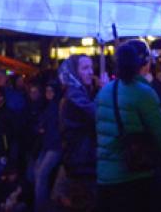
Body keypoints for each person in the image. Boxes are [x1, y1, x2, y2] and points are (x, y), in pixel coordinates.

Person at [95, 40, 161, 212]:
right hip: (136, 178)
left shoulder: (104, 91)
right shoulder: (144, 92)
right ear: (144, 63)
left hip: (105, 178)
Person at [55, 54, 102, 211]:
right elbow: (96, 114)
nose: (90, 72)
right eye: (85, 68)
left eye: (91, 68)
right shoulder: (74, 95)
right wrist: (104, 90)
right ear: (74, 72)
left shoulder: (80, 92)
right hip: (81, 162)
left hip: (82, 160)